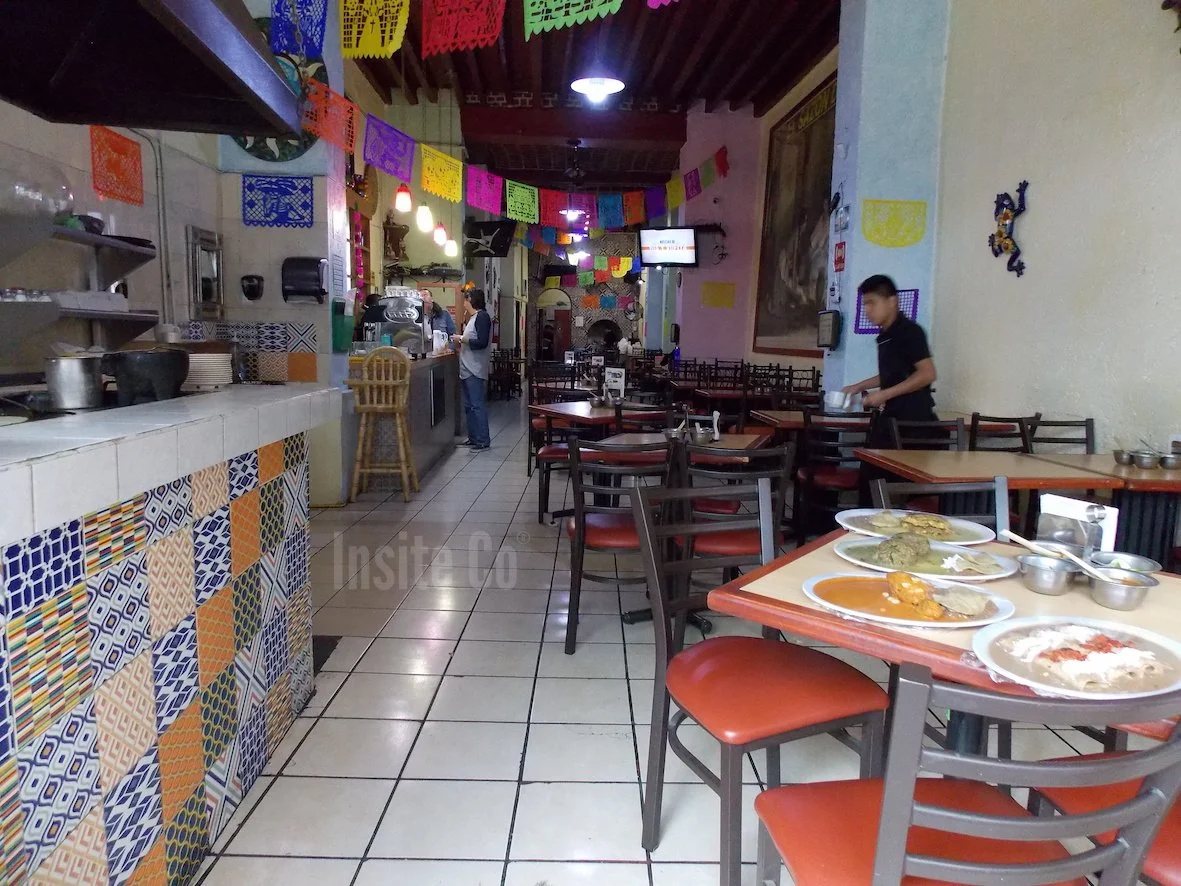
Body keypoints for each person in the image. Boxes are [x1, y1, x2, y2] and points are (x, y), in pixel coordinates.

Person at [842, 274, 938, 447]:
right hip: (892, 417)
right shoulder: (886, 335)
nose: (867, 310)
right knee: (868, 456)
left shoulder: (910, 332)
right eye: (865, 304)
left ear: (892, 301)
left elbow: (927, 374)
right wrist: (858, 387)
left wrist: (884, 394)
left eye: (872, 303)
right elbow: (892, 374)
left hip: (913, 423)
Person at [452, 288, 492, 451]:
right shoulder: (473, 318)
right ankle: (473, 437)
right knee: (469, 406)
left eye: (466, 299)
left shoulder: (482, 317)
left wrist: (461, 338)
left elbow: (481, 342)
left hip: (475, 368)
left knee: (476, 405)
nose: (464, 303)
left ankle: (482, 439)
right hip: (467, 368)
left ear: (471, 300)